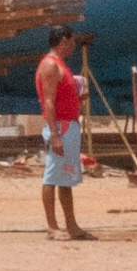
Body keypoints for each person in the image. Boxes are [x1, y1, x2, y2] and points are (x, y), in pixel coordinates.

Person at [36, 24, 94, 241]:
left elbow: (60, 99)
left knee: (65, 177)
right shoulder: (51, 65)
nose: (73, 47)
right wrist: (55, 134)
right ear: (63, 41)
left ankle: (72, 225)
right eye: (71, 43)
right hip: (61, 127)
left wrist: (78, 98)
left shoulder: (60, 65)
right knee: (52, 176)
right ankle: (52, 226)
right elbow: (48, 102)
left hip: (67, 124)